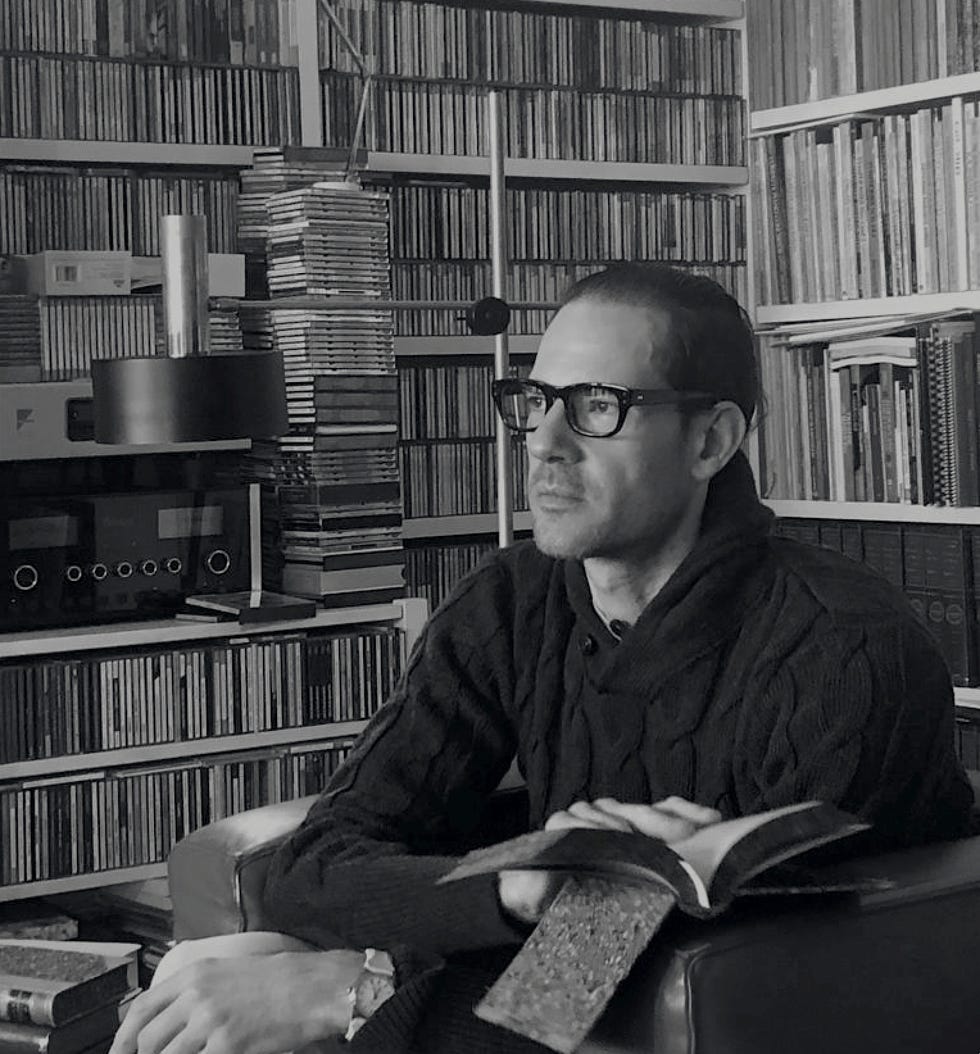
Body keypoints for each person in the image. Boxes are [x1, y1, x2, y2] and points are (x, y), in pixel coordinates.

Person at [109, 263, 974, 1054]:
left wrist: (361, 990)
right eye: (535, 398)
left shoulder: (846, 652)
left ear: (711, 442)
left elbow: (721, 979)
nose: (543, 441)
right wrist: (512, 890)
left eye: (598, 405)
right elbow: (312, 862)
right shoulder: (511, 603)